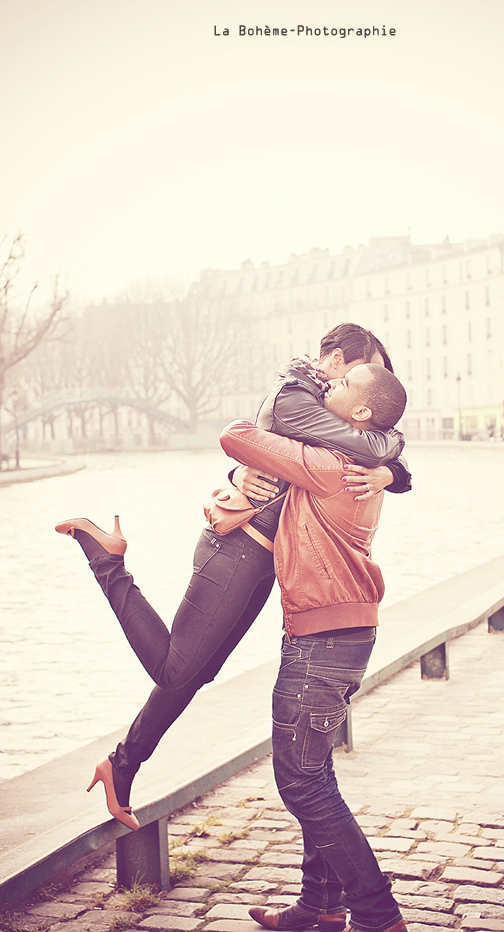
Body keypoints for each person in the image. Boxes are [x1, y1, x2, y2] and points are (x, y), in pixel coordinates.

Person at [55, 324, 411, 831]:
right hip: (239, 548)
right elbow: (301, 441)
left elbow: (371, 445)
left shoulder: (331, 410)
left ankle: (123, 763)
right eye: (356, 373)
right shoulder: (295, 397)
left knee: (198, 671)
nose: (355, 384)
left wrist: (391, 471)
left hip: (262, 556)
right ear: (333, 361)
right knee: (176, 669)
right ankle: (106, 559)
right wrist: (388, 455)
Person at [219, 363, 408, 932]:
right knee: (316, 772)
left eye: (343, 385)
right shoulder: (356, 464)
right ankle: (321, 907)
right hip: (342, 633)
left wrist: (292, 386)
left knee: (300, 781)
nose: (330, 386)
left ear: (361, 414)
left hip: (321, 641)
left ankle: (378, 915)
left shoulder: (330, 464)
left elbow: (237, 434)